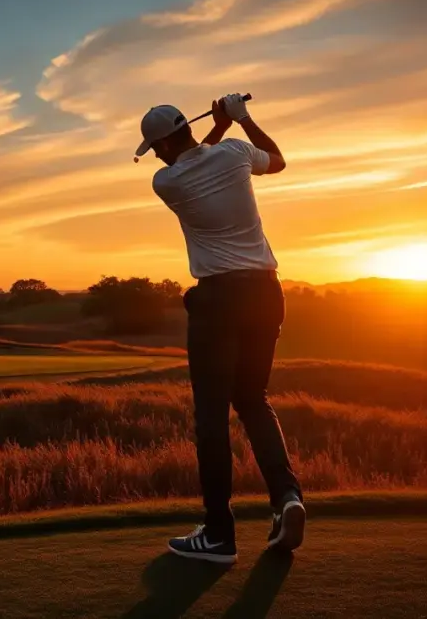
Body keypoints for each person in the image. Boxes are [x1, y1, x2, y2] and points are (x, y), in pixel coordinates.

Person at [134, 93, 305, 564]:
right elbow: (278, 160)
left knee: (210, 416)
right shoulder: (233, 154)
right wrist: (240, 118)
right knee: (252, 399)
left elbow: (192, 160)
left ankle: (218, 535)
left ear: (162, 146)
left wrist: (222, 124)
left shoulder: (165, 181)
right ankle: (287, 499)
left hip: (218, 301)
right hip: (267, 292)